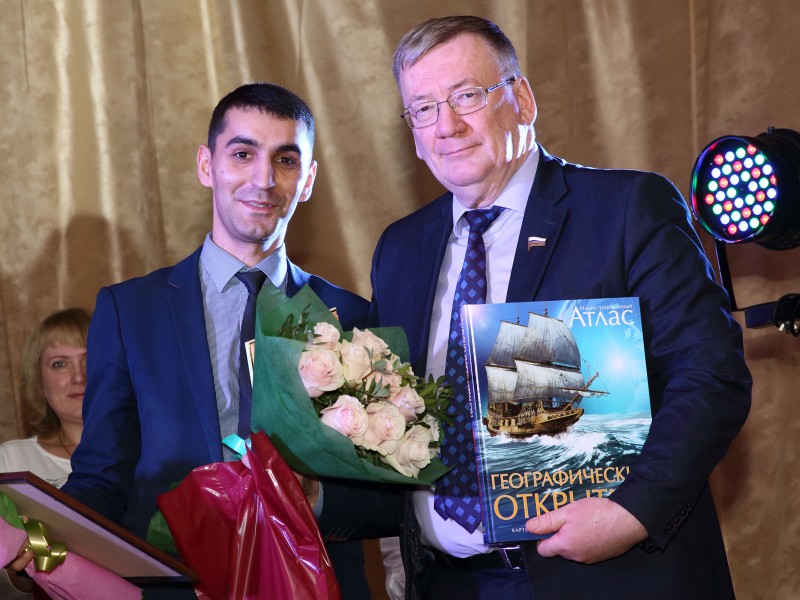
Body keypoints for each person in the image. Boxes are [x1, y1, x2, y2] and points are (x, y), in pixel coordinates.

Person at [369, 15, 752, 600]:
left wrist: (632, 511)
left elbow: (712, 376)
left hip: (611, 577)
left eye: (467, 96)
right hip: (447, 583)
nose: (446, 125)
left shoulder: (625, 209)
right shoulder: (399, 249)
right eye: (423, 109)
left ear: (521, 99)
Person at [61, 83, 385, 599]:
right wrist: (46, 537)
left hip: (315, 584)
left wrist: (313, 497)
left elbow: (386, 500)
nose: (264, 179)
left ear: (307, 181)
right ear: (206, 165)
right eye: (242, 154)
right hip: (172, 587)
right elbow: (102, 476)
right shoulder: (129, 311)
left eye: (285, 160)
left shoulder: (354, 318)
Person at [1, 307, 91, 598]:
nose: (80, 377)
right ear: (39, 382)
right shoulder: (11, 461)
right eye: (60, 364)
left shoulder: (153, 455)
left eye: (90, 358)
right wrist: (15, 577)